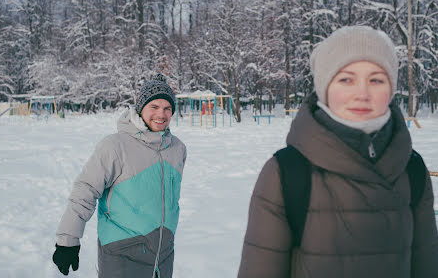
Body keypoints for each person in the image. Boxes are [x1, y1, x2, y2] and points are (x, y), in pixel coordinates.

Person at [237, 26, 438, 278]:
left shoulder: (413, 169)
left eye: (376, 80)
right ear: (324, 87)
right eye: (346, 79)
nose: (362, 94)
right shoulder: (286, 172)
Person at [52, 74, 187, 278]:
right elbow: (85, 190)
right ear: (141, 109)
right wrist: (68, 240)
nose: (161, 114)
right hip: (122, 254)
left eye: (167, 108)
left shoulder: (178, 149)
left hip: (163, 255)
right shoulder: (115, 146)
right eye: (154, 107)